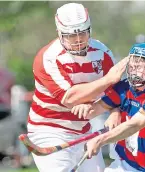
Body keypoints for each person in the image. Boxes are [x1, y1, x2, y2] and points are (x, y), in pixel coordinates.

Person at [27, 3, 128, 172]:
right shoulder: (48, 58)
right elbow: (70, 98)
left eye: (82, 33)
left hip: (84, 130)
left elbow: (115, 92)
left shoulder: (102, 53)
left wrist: (114, 112)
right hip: (49, 128)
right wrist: (107, 79)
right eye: (70, 36)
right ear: (59, 33)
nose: (78, 39)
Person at [72, 43, 145, 172]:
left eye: (141, 64)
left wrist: (100, 140)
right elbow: (94, 110)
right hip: (121, 164)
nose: (134, 68)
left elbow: (134, 125)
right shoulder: (125, 87)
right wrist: (86, 106)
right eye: (133, 62)